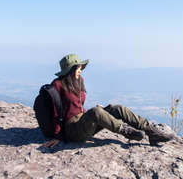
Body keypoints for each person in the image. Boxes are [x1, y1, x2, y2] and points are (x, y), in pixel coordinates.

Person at [43, 54, 175, 148]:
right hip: (71, 130)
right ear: (70, 70)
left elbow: (77, 105)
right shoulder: (57, 85)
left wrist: (91, 113)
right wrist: (58, 136)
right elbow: (54, 113)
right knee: (96, 112)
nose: (80, 71)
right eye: (78, 68)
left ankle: (151, 131)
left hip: (83, 122)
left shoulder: (78, 81)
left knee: (117, 108)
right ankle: (126, 131)